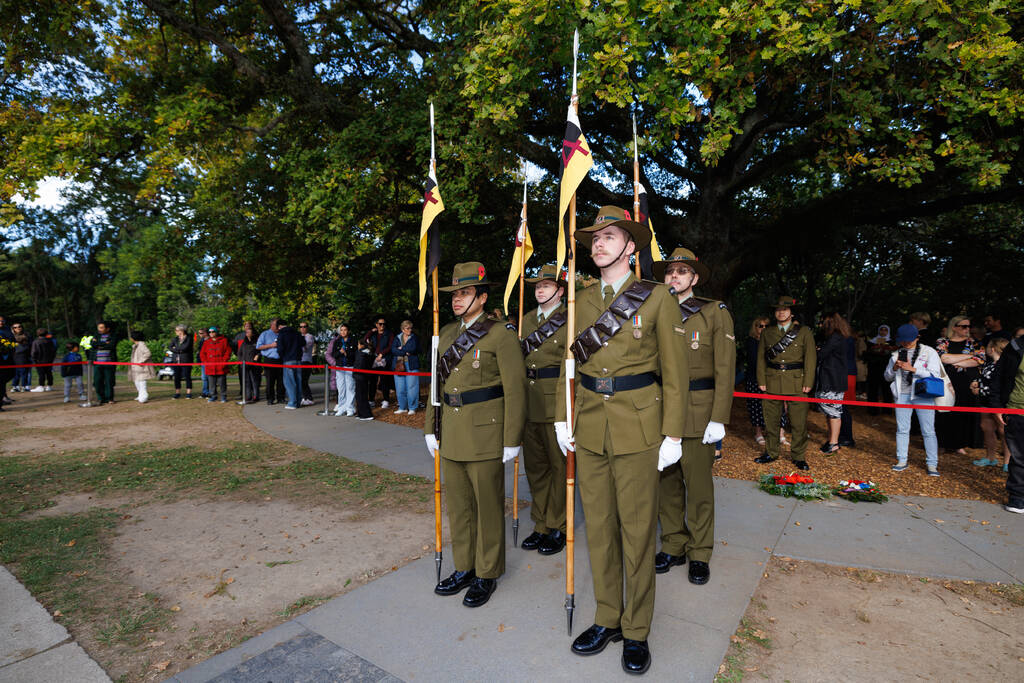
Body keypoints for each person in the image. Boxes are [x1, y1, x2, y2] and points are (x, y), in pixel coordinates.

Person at [553, 207, 686, 675]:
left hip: (638, 429)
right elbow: (566, 366)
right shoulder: (580, 300)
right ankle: (607, 617)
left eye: (609, 237)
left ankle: (636, 629)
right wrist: (558, 418)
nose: (599, 244)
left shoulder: (655, 298)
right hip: (588, 426)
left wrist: (673, 434)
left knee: (636, 533)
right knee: (601, 530)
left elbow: (675, 373)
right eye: (595, 238)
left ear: (631, 247)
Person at [424, 262, 526, 609]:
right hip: (451, 432)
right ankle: (464, 567)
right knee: (460, 508)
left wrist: (512, 438)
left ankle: (487, 572)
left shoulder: (501, 335)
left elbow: (515, 391)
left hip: (486, 434)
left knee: (487, 507)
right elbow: (436, 386)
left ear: (482, 297)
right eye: (454, 294)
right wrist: (429, 427)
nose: (456, 299)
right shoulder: (448, 334)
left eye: (464, 293)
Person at [654, 247, 734, 586]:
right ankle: (674, 544)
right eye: (671, 271)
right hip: (659, 409)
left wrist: (719, 418)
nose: (675, 276)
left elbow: (726, 367)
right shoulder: (655, 309)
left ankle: (699, 552)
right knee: (666, 483)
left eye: (682, 272)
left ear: (694, 278)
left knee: (698, 487)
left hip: (699, 410)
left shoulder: (713, 312)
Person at [518, 264, 568, 556]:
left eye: (546, 285)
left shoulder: (569, 317)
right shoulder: (525, 320)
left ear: (560, 291)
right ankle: (540, 524)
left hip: (555, 403)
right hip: (529, 401)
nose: (540, 289)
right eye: (537, 285)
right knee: (535, 468)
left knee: (559, 468)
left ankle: (558, 524)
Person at [754, 297, 816, 470]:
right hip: (772, 380)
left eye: (785, 309)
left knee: (798, 423)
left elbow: (810, 358)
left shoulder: (804, 332)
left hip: (797, 382)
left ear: (791, 312)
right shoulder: (768, 332)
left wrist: (808, 381)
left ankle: (798, 456)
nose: (781, 312)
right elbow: (760, 358)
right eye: (778, 310)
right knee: (771, 421)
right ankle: (771, 452)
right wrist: (762, 380)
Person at [885, 323, 943, 475]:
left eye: (909, 340)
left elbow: (935, 374)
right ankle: (902, 460)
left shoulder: (929, 352)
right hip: (902, 394)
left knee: (928, 430)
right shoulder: (896, 354)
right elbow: (887, 376)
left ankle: (932, 464)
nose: (906, 343)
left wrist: (913, 369)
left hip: (922, 394)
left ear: (917, 337)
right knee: (902, 429)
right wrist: (895, 368)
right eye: (903, 340)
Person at [935, 315, 984, 454]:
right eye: (964, 326)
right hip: (946, 382)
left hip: (966, 383)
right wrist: (969, 356)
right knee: (943, 411)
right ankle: (941, 443)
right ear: (954, 327)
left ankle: (959, 444)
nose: (967, 329)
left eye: (969, 326)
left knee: (962, 411)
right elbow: (943, 358)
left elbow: (980, 360)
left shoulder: (974, 343)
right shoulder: (943, 341)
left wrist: (954, 361)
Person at [986, 334, 1024, 513]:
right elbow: (998, 377)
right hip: (1017, 410)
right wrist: (997, 406)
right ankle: (1017, 498)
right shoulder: (1016, 346)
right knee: (1019, 457)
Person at [815, 312, 853, 454]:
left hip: (834, 380)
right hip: (830, 378)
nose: (820, 325)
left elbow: (821, 354)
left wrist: (818, 350)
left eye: (822, 322)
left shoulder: (836, 337)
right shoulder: (835, 337)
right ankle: (832, 439)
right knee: (830, 411)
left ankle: (834, 442)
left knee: (834, 412)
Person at [972, 337, 1010, 471]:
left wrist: (981, 390)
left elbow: (1000, 386)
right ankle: (990, 457)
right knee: (986, 427)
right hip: (985, 402)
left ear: (992, 348)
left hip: (999, 403)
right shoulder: (989, 364)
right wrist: (976, 384)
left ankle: (1007, 462)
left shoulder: (1005, 366)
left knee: (1003, 430)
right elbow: (984, 379)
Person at [364, 317, 395, 408]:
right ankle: (371, 400)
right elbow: (365, 340)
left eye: (384, 324)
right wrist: (371, 331)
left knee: (384, 380)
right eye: (380, 324)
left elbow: (391, 346)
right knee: (372, 381)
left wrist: (382, 354)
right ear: (376, 325)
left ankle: (386, 400)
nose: (382, 326)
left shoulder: (389, 334)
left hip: (384, 359)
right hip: (373, 359)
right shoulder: (373, 334)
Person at [391, 320, 421, 415]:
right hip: (398, 365)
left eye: (411, 328)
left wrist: (401, 349)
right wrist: (405, 352)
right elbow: (393, 350)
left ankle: (412, 408)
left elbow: (413, 349)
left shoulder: (414, 338)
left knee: (412, 387)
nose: (410, 330)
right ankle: (402, 407)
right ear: (402, 329)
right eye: (407, 328)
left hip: (411, 365)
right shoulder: (397, 338)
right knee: (400, 388)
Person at [326, 324, 356, 416]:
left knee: (350, 388)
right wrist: (340, 352)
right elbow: (333, 354)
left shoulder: (353, 341)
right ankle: (341, 408)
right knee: (341, 388)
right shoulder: (337, 341)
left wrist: (347, 353)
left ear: (348, 331)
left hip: (349, 366)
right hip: (339, 367)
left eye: (345, 330)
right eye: (341, 330)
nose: (343, 332)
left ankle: (350, 408)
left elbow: (355, 354)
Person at [865, 325, 895, 415]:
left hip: (886, 368)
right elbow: (867, 354)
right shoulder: (871, 342)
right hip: (874, 368)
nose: (883, 332)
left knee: (887, 389)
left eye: (885, 330)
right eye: (881, 330)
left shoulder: (891, 342)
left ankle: (887, 410)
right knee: (873, 389)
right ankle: (872, 410)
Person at [276, 319, 304, 409]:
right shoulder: (296, 333)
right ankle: (298, 402)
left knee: (289, 382)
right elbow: (303, 343)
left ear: (279, 326)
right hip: (298, 359)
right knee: (298, 381)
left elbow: (280, 349)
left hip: (288, 360)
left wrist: (282, 356)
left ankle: (292, 402)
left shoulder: (282, 334)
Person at [199, 326, 231, 402]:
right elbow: (202, 353)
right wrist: (206, 362)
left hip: (221, 365)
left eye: (213, 332)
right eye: (210, 332)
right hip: (210, 366)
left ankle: (223, 396)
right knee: (211, 383)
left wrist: (224, 361)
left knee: (222, 383)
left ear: (216, 332)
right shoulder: (206, 342)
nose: (211, 333)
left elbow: (228, 351)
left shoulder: (224, 340)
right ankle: (213, 396)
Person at [257, 319, 283, 405]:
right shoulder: (264, 334)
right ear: (272, 325)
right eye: (277, 325)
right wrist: (271, 345)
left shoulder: (282, 333)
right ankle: (270, 399)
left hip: (281, 360)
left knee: (281, 381)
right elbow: (258, 347)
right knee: (270, 381)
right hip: (269, 360)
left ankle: (281, 398)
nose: (279, 326)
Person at [91, 322, 118, 405]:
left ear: (107, 328)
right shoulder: (96, 336)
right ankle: (101, 398)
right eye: (99, 327)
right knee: (97, 381)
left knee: (109, 381)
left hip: (109, 363)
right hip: (97, 363)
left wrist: (99, 345)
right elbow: (93, 344)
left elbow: (111, 345)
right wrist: (104, 344)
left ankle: (110, 398)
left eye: (102, 327)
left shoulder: (113, 336)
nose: (100, 329)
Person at [128, 331, 156, 403]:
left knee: (142, 382)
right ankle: (140, 395)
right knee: (137, 382)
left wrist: (141, 361)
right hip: (136, 368)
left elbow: (148, 353)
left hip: (142, 368)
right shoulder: (136, 345)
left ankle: (144, 397)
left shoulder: (142, 345)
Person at [237, 325, 261, 404]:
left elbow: (260, 351)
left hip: (254, 365)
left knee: (254, 381)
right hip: (245, 365)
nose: (247, 333)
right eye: (246, 332)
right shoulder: (244, 343)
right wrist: (241, 361)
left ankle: (255, 396)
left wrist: (258, 356)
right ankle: (248, 396)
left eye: (248, 332)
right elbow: (239, 353)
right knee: (246, 381)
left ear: (252, 333)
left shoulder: (257, 342)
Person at [168, 325, 194, 399]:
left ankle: (188, 393)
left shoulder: (189, 338)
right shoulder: (175, 339)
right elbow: (170, 347)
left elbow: (185, 347)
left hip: (186, 360)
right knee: (176, 377)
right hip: (176, 360)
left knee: (187, 376)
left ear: (181, 331)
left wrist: (176, 348)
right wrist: (178, 350)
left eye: (176, 330)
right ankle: (177, 392)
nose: (175, 332)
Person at [352, 338, 374, 420]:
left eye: (358, 344)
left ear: (361, 345)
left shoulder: (361, 353)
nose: (357, 346)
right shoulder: (369, 352)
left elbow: (359, 365)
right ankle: (361, 413)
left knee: (361, 395)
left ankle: (367, 414)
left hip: (360, 376)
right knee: (360, 395)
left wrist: (355, 372)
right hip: (364, 376)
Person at [234, 321, 256, 400]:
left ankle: (255, 394)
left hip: (253, 363)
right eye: (246, 326)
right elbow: (235, 347)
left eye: (249, 326)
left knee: (254, 379)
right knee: (243, 379)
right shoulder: (239, 336)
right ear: (244, 327)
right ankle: (244, 394)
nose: (247, 327)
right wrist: (239, 358)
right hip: (242, 362)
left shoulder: (256, 336)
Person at [299, 322, 316, 406]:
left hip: (306, 361)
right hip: (299, 361)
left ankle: (309, 398)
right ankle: (305, 397)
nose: (302, 328)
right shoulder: (299, 337)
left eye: (304, 326)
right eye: (301, 327)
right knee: (301, 381)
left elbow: (304, 348)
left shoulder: (309, 336)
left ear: (307, 328)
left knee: (303, 381)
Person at [11, 324, 32, 391]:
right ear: (13, 329)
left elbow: (31, 345)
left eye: (19, 326)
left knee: (24, 372)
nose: (18, 328)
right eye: (15, 327)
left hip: (25, 357)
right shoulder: (10, 336)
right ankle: (15, 386)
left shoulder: (27, 335)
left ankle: (24, 386)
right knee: (15, 372)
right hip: (14, 357)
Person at [196, 328, 210, 398]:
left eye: (201, 333)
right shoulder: (201, 340)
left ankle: (210, 392)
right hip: (203, 361)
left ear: (205, 333)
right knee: (204, 377)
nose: (199, 335)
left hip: (209, 362)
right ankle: (205, 392)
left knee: (209, 377)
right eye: (199, 333)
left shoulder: (209, 340)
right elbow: (199, 351)